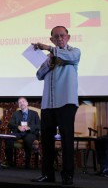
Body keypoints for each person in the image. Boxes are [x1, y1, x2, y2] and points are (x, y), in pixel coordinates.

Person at [31, 26, 81, 185]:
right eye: (56, 37)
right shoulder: (49, 57)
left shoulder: (74, 52)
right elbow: (39, 75)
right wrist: (49, 63)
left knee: (66, 139)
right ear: (52, 39)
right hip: (48, 104)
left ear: (68, 37)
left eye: (62, 36)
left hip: (66, 102)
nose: (60, 38)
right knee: (46, 141)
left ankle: (67, 175)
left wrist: (48, 48)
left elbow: (70, 58)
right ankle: (47, 174)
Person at [5, 97, 40, 169]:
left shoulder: (34, 113)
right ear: (18, 105)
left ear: (27, 103)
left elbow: (39, 125)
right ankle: (10, 163)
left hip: (30, 133)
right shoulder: (16, 114)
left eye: (23, 101)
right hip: (19, 132)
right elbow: (10, 124)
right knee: (9, 138)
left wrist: (29, 127)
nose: (22, 103)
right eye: (20, 102)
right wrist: (18, 127)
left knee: (28, 140)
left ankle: (27, 163)